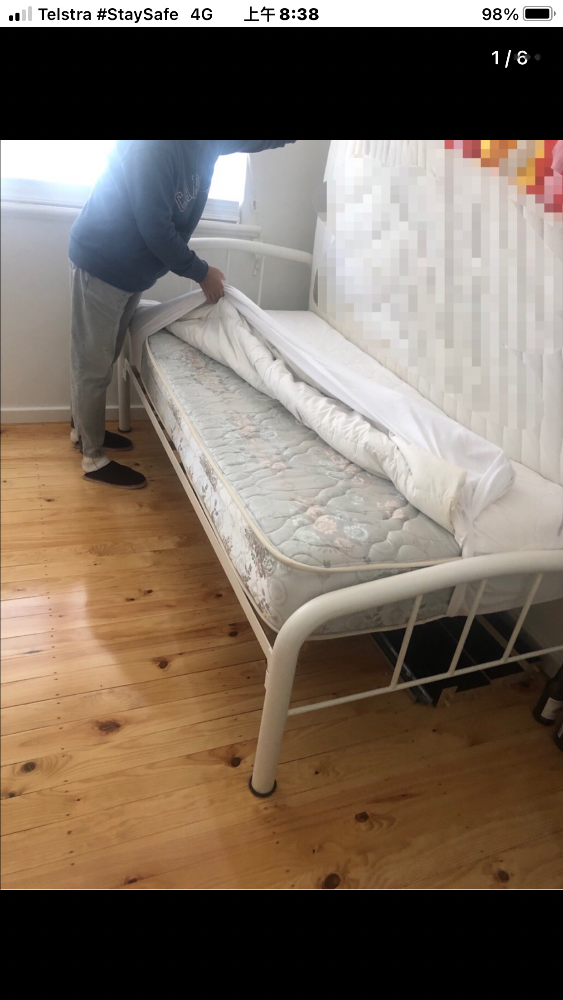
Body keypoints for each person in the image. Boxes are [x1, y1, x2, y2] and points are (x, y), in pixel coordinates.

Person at [68, 140, 296, 489]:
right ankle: (93, 458)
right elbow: (156, 229)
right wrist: (201, 272)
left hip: (131, 272)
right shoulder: (152, 148)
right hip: (103, 264)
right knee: (93, 364)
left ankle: (85, 432)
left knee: (105, 355)